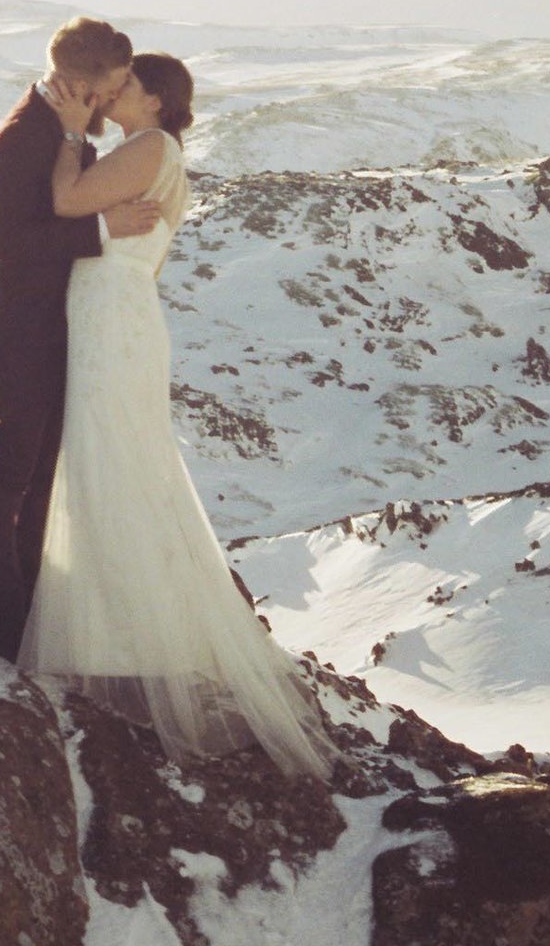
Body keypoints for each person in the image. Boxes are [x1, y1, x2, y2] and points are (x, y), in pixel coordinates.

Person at [18, 50, 334, 780]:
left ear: (155, 100)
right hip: (119, 308)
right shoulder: (158, 153)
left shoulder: (149, 147)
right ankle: (122, 631)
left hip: (110, 314)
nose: (110, 94)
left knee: (108, 460)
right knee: (114, 460)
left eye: (124, 86)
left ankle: (116, 640)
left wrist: (70, 135)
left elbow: (66, 203)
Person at [0, 17, 166, 659]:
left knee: (43, 475)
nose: (114, 100)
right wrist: (103, 228)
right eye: (110, 90)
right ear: (80, 84)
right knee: (10, 472)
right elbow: (13, 248)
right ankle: (2, 628)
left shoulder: (64, 133)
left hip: (61, 321)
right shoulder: (24, 139)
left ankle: (29, 621)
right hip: (22, 321)